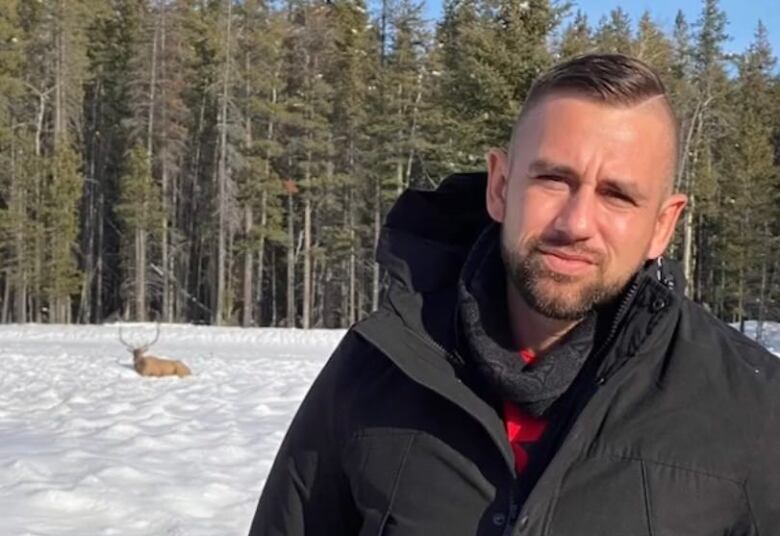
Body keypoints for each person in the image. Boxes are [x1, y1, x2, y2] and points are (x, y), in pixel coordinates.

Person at [249, 54, 780, 535]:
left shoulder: (749, 406)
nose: (576, 223)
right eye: (552, 179)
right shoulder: (379, 366)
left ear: (663, 226)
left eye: (617, 195)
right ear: (500, 186)